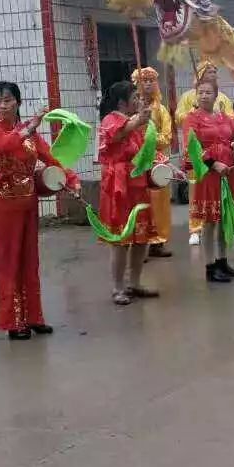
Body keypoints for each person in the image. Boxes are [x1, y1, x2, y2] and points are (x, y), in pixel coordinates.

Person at [0, 81, 79, 339]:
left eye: (8, 100)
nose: (2, 105)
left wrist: (71, 179)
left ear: (18, 103)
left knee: (29, 261)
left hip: (27, 203)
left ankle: (33, 317)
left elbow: (51, 158)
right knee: (8, 262)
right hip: (3, 205)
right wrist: (27, 130)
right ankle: (13, 322)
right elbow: (1, 146)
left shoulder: (31, 135)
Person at [180, 75, 234, 282]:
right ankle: (210, 266)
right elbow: (191, 148)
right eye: (201, 92)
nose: (204, 96)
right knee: (210, 222)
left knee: (223, 219)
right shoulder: (192, 119)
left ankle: (222, 261)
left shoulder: (223, 117)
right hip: (209, 174)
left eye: (208, 92)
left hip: (228, 172)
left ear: (216, 95)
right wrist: (212, 163)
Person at [98, 81, 158, 305]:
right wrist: (138, 120)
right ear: (122, 102)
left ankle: (135, 282)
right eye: (135, 97)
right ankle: (118, 287)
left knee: (141, 237)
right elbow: (116, 135)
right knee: (121, 240)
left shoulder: (136, 124)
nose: (138, 100)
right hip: (119, 188)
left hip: (137, 183)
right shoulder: (110, 120)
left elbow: (142, 152)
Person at [177, 61, 234, 247]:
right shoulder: (188, 97)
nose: (212, 73)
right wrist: (194, 112)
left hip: (223, 159)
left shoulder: (223, 98)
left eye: (214, 71)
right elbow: (179, 117)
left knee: (223, 202)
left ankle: (224, 250)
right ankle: (195, 228)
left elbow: (232, 121)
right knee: (198, 196)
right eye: (208, 70)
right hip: (201, 160)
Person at [133, 66, 174, 258]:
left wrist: (149, 138)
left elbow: (166, 137)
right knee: (139, 202)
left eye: (151, 80)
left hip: (156, 160)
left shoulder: (162, 110)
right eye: (144, 80)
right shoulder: (132, 110)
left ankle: (158, 241)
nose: (148, 83)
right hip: (136, 160)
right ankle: (139, 242)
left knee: (160, 202)